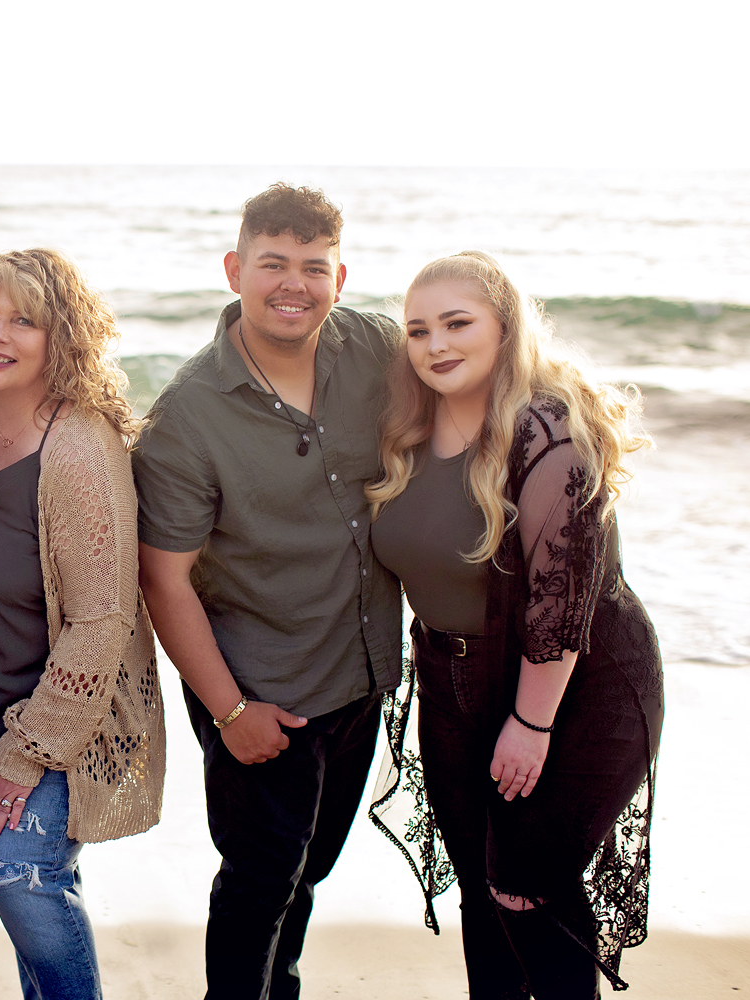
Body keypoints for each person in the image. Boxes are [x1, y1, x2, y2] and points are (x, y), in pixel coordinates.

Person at [132, 183, 403, 1000]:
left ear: (341, 277)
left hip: (359, 676)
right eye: (273, 264)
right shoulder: (188, 415)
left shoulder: (378, 352)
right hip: (263, 691)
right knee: (258, 882)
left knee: (308, 871)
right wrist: (228, 712)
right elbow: (162, 579)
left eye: (313, 267)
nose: (294, 284)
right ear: (234, 270)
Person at [367, 251, 663, 998]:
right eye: (418, 330)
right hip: (449, 683)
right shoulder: (407, 429)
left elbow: (560, 602)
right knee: (480, 892)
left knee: (526, 890)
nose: (436, 345)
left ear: (506, 326)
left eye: (457, 324)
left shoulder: (547, 429)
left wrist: (531, 724)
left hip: (575, 690)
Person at [0, 249, 166, 1000]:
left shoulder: (78, 448)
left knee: (21, 877)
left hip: (57, 722)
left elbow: (103, 622)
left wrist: (26, 751)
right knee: (32, 887)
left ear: (60, 337)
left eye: (24, 320)